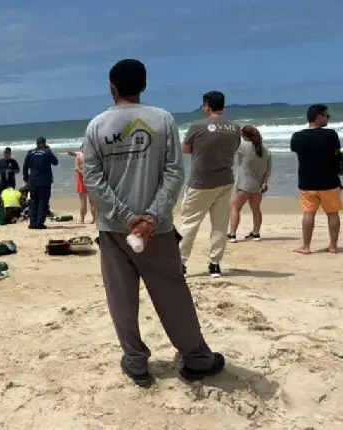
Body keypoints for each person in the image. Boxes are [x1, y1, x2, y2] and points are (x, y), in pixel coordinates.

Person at [84, 58, 223, 387]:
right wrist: (151, 217)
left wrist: (124, 216)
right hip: (155, 229)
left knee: (121, 297)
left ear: (112, 87)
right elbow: (175, 173)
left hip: (114, 230)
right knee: (172, 291)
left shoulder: (96, 126)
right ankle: (196, 358)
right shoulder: (162, 119)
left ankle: (135, 361)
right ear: (144, 86)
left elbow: (93, 178)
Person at [178, 91, 240, 278]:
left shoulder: (198, 126)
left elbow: (185, 149)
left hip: (201, 181)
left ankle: (180, 263)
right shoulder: (235, 127)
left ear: (207, 106)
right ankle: (215, 264)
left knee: (189, 223)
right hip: (225, 180)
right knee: (220, 224)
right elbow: (235, 148)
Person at [290, 104, 342, 254]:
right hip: (329, 181)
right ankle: (333, 246)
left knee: (308, 214)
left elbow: (295, 150)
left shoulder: (298, 136)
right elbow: (337, 155)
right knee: (332, 214)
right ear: (318, 117)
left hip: (307, 181)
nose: (328, 118)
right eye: (326, 116)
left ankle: (306, 246)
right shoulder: (331, 135)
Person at [228, 125, 271, 243]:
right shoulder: (266, 150)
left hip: (243, 186)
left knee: (235, 208)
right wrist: (264, 183)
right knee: (256, 210)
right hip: (257, 187)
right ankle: (256, 233)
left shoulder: (243, 146)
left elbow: (229, 147)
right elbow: (268, 170)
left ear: (244, 135)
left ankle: (232, 234)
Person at [22, 136, 58, 229]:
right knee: (43, 201)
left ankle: (32, 223)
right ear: (44, 143)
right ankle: (39, 223)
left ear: (36, 143)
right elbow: (55, 162)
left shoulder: (30, 153)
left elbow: (25, 166)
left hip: (33, 181)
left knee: (33, 202)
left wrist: (26, 178)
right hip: (44, 182)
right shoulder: (47, 152)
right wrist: (49, 151)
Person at [68, 146, 97, 224]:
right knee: (92, 201)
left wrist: (84, 174)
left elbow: (77, 168)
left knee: (82, 200)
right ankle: (94, 219)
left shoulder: (79, 156)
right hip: (91, 179)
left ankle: (82, 219)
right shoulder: (92, 155)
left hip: (81, 179)